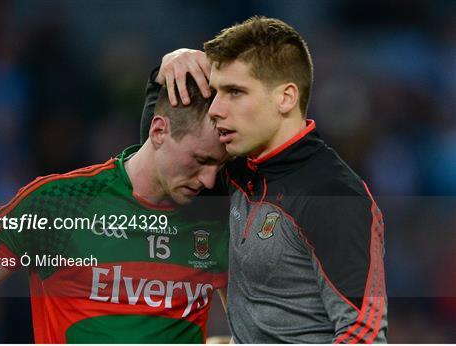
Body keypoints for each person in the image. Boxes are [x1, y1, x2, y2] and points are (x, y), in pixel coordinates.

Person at [0, 76, 230, 343]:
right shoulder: (57, 202)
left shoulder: (217, 219)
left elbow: (251, 329)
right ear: (159, 131)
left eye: (219, 164)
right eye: (200, 160)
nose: (209, 178)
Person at [141, 16, 387, 343]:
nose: (215, 108)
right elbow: (164, 161)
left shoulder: (332, 194)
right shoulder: (234, 170)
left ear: (285, 98)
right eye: (216, 92)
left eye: (234, 92)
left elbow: (363, 335)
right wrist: (166, 72)